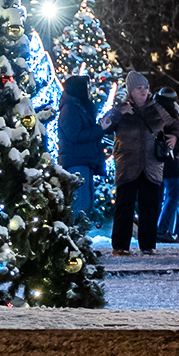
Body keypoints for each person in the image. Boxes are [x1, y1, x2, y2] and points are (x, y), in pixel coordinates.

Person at [100, 72, 166, 254]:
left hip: (151, 166)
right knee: (124, 206)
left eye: (146, 87)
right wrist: (118, 112)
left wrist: (174, 137)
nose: (144, 91)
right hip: (128, 165)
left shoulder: (157, 109)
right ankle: (120, 246)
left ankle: (148, 245)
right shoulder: (121, 109)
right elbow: (104, 125)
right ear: (131, 91)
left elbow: (174, 126)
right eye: (139, 88)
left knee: (150, 207)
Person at [55, 74, 105, 224]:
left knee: (86, 203)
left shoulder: (80, 107)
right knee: (79, 204)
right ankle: (75, 240)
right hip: (77, 161)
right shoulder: (70, 108)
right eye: (87, 87)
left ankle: (80, 240)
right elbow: (75, 135)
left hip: (85, 160)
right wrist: (100, 128)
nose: (90, 90)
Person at [154, 96, 179, 243]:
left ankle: (155, 229)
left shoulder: (152, 115)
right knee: (173, 197)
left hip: (156, 164)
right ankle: (162, 229)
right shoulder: (173, 120)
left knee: (158, 198)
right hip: (171, 164)